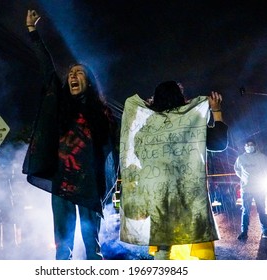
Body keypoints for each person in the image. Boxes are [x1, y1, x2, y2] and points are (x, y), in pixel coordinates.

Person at [22, 10, 119, 260]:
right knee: (62, 248)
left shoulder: (102, 113)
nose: (74, 77)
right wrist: (33, 33)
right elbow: (47, 69)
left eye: (80, 74)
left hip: (88, 184)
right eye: (72, 74)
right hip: (61, 181)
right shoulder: (60, 105)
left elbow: (111, 149)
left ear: (89, 82)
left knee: (91, 247)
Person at [119, 81, 228, 260]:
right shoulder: (190, 120)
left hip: (156, 193)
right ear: (181, 97)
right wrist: (216, 110)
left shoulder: (149, 124)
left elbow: (138, 149)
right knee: (193, 236)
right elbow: (219, 144)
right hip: (186, 192)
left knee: (163, 245)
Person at [234, 139, 267, 240]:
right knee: (245, 211)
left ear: (255, 146)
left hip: (259, 189)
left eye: (251, 145)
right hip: (246, 189)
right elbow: (237, 169)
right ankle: (244, 232)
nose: (249, 147)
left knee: (261, 210)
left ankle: (265, 232)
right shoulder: (241, 158)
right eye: (247, 145)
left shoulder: (262, 157)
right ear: (245, 147)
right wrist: (244, 178)